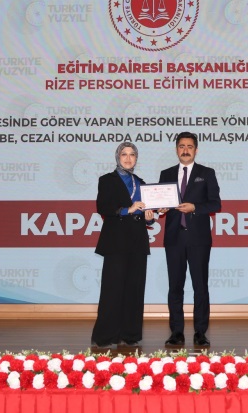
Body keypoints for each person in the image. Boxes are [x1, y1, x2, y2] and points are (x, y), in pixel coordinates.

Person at [158, 131, 221, 348]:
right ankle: (176, 332)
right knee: (175, 287)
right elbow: (161, 202)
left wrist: (195, 207)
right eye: (181, 146)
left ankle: (200, 332)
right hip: (174, 238)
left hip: (199, 239)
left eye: (189, 146)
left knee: (200, 286)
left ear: (196, 149)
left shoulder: (207, 173)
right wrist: (160, 208)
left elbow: (215, 204)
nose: (185, 150)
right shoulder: (166, 173)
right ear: (176, 149)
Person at [90, 141, 154, 350]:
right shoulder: (107, 180)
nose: (128, 158)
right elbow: (103, 207)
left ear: (136, 158)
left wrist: (150, 217)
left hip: (137, 240)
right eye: (124, 154)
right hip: (116, 240)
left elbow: (146, 214)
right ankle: (105, 336)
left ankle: (130, 334)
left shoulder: (141, 183)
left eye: (132, 154)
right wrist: (128, 209)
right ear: (118, 157)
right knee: (112, 289)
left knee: (135, 289)